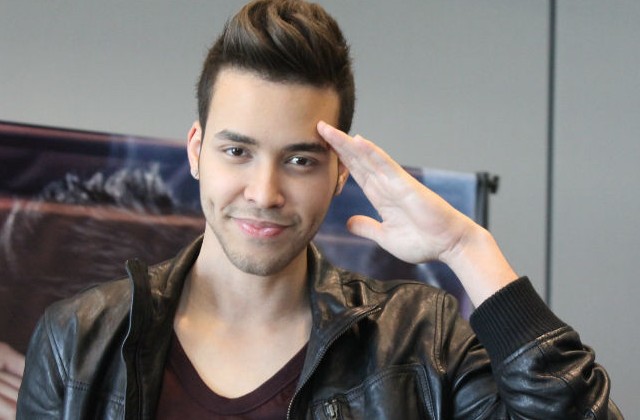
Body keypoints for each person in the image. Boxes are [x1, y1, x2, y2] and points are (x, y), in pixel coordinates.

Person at [17, 0, 622, 418]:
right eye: (237, 151)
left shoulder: (419, 339)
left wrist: (469, 249)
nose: (264, 192)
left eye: (300, 160)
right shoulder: (79, 339)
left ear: (339, 173)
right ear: (197, 151)